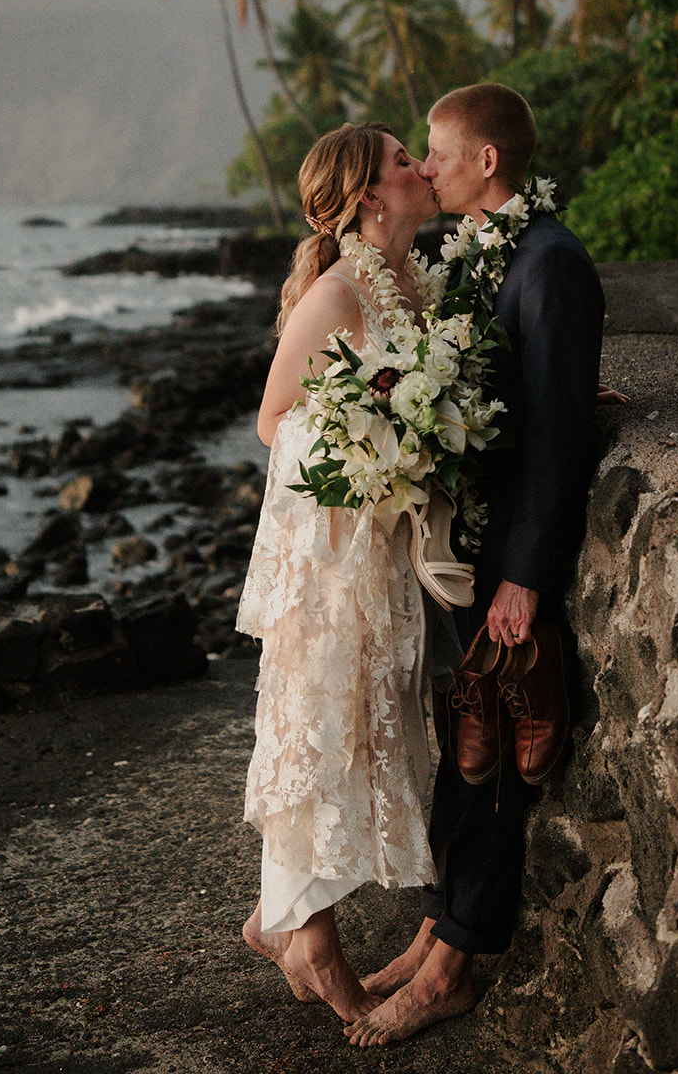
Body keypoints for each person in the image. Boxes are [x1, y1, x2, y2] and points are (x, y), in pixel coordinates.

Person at [348, 83, 606, 1048]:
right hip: (466, 547)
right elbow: (522, 382)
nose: (425, 166)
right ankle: (436, 921)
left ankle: (457, 963)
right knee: (459, 749)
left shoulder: (549, 261)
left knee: (495, 761)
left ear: (485, 162)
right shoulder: (488, 252)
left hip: (507, 557)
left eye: (437, 153)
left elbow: (552, 443)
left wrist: (524, 576)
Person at [237, 121, 444, 1024]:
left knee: (368, 722)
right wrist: (369, 448)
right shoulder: (333, 291)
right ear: (368, 195)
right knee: (321, 718)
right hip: (328, 552)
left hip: (382, 546)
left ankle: (275, 918)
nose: (423, 169)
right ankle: (312, 939)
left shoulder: (412, 278)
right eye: (405, 161)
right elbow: (272, 420)